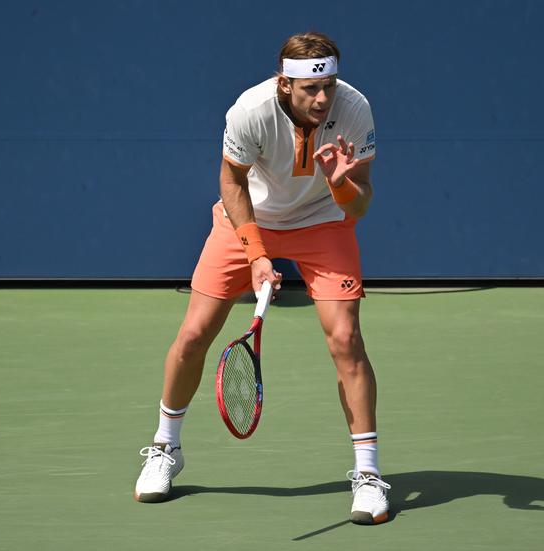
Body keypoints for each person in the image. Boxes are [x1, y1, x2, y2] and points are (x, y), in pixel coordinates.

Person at [133, 31, 390, 525]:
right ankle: (165, 446)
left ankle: (368, 474)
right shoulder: (249, 110)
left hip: (323, 223)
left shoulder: (355, 109)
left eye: (329, 86)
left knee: (346, 340)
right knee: (192, 335)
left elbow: (362, 203)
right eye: (310, 89)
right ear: (283, 84)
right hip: (248, 220)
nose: (322, 98)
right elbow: (231, 181)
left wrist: (340, 185)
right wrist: (255, 255)